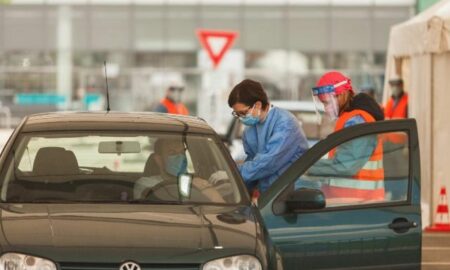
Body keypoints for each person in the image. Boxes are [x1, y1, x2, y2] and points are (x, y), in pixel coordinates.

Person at [309, 71, 385, 202]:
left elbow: (345, 166)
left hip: (357, 205)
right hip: (349, 203)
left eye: (327, 102)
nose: (326, 108)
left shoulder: (357, 121)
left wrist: (307, 168)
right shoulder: (349, 118)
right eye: (323, 104)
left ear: (342, 95)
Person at [226, 79, 309, 196]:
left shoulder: (285, 123)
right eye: (237, 114)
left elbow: (268, 163)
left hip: (294, 194)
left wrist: (230, 174)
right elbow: (252, 166)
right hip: (269, 196)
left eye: (243, 113)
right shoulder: (249, 131)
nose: (240, 118)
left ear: (257, 105)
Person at [134, 138, 224, 203]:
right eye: (172, 153)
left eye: (182, 152)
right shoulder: (146, 183)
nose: (180, 157)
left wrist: (206, 188)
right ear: (159, 160)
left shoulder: (198, 182)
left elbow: (220, 207)